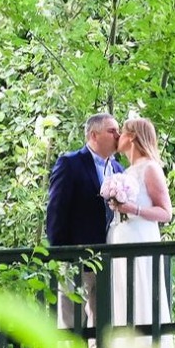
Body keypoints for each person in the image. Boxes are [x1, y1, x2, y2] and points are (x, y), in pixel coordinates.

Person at [45, 113, 122, 336]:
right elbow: (56, 210)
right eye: (112, 131)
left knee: (103, 328)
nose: (118, 135)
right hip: (76, 259)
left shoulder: (118, 169)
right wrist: (63, 254)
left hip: (106, 262)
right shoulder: (70, 163)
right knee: (71, 326)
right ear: (94, 135)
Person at [105, 116, 173, 338]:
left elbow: (165, 213)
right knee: (123, 294)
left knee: (142, 290)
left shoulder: (150, 169)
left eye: (121, 132)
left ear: (132, 136)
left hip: (141, 237)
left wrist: (133, 210)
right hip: (121, 238)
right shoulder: (125, 172)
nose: (118, 137)